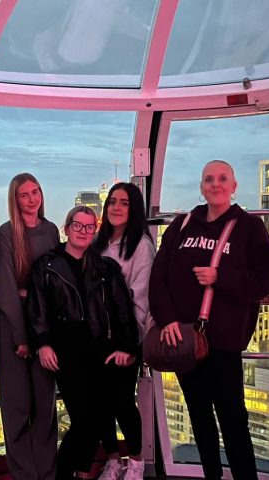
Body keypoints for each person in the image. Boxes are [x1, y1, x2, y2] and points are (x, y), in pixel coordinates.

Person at [148, 160, 269, 480]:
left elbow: (267, 277)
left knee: (233, 420)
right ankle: (212, 476)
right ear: (201, 186)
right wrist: (167, 321)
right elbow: (158, 276)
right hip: (182, 340)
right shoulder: (183, 225)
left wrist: (220, 277)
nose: (215, 185)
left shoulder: (248, 227)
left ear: (234, 186)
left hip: (223, 344)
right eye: (209, 179)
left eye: (223, 179)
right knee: (199, 417)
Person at [26, 206, 138, 480]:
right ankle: (68, 474)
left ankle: (80, 474)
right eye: (78, 225)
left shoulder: (104, 267)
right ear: (67, 228)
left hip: (101, 351)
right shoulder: (46, 266)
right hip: (67, 354)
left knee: (96, 419)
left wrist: (127, 346)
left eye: (89, 227)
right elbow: (36, 310)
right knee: (85, 420)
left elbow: (123, 310)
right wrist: (43, 343)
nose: (83, 231)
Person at [0, 173, 60, 480]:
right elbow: (5, 288)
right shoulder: (7, 233)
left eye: (36, 192)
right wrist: (22, 337)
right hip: (14, 330)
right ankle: (23, 475)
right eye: (24, 194)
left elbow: (56, 281)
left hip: (45, 328)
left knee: (45, 406)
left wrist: (31, 296)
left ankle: (46, 473)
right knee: (17, 407)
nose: (32, 199)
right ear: (14, 199)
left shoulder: (51, 231)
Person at [92, 182, 156, 480]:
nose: (116, 207)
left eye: (124, 203)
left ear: (135, 210)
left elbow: (142, 299)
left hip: (124, 338)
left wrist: (132, 345)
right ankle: (114, 460)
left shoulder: (141, 246)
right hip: (96, 338)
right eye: (112, 202)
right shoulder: (97, 243)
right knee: (101, 402)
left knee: (122, 402)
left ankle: (137, 463)